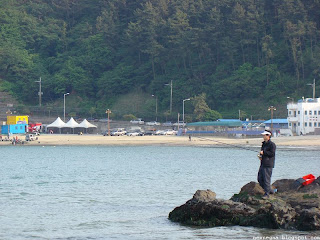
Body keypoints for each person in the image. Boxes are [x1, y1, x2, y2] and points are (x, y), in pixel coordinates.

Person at [258, 130, 276, 199]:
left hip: (268, 164)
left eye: (265, 135)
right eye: (263, 135)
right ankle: (270, 190)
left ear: (268, 136)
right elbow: (263, 153)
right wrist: (261, 156)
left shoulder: (272, 144)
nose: (263, 136)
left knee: (266, 179)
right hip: (263, 163)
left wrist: (264, 152)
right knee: (260, 178)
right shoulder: (263, 144)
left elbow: (272, 154)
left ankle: (267, 194)